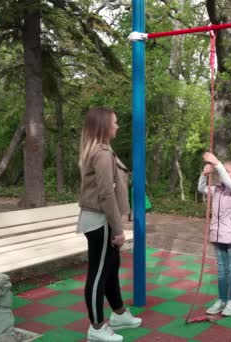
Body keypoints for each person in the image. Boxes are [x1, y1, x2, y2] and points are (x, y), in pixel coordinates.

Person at [78, 107, 142, 342]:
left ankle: (118, 314)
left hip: (100, 219)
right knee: (98, 275)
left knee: (111, 269)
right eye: (114, 122)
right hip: (101, 221)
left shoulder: (102, 150)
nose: (117, 126)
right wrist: (118, 229)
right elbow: (106, 194)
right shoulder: (102, 153)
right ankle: (96, 327)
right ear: (104, 125)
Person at [197, 152, 231, 317]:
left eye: (227, 170)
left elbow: (227, 181)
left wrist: (217, 163)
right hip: (218, 236)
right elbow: (201, 188)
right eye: (222, 169)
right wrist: (204, 175)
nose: (222, 172)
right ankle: (222, 299)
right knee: (221, 270)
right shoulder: (217, 190)